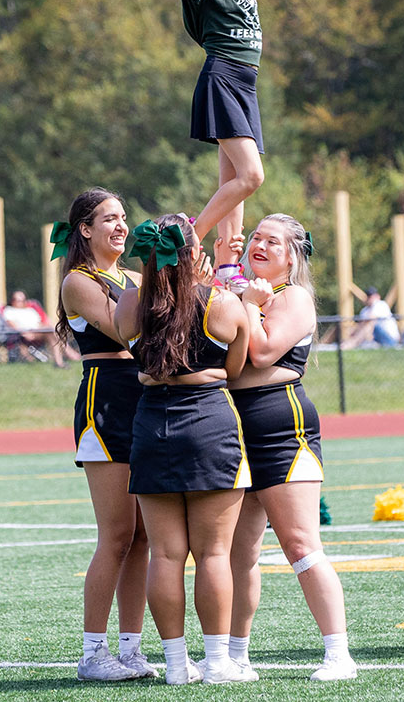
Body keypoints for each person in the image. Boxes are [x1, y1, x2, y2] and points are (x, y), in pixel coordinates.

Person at [113, 213, 254, 685]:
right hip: (210, 424)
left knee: (165, 556)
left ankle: (176, 665)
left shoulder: (129, 304)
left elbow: (136, 352)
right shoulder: (222, 303)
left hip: (151, 425)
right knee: (213, 554)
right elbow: (235, 369)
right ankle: (218, 663)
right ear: (194, 253)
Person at [226, 214, 357, 681]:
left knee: (301, 545)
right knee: (237, 554)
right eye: (256, 237)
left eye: (273, 242)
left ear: (292, 257)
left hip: (282, 425)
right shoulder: (242, 293)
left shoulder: (293, 297)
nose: (259, 245)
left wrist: (247, 304)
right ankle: (235, 655)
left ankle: (339, 654)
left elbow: (261, 353)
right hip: (234, 428)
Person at [163, 0, 286, 291]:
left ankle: (227, 267)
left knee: (232, 183)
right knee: (251, 176)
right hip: (223, 77)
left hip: (247, 86)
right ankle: (190, 235)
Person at [52, 189, 154, 681]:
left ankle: (131, 650)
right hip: (106, 401)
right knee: (116, 534)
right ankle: (93, 653)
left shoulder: (137, 278)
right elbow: (126, 331)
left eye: (124, 217)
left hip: (147, 399)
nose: (121, 226)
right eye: (109, 218)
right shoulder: (78, 280)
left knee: (143, 537)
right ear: (85, 229)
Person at [2, 290, 77, 367]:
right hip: (23, 335)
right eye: (18, 300)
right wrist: (23, 333)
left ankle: (62, 359)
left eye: (23, 300)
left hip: (38, 331)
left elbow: (40, 322)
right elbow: (12, 326)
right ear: (12, 301)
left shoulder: (30, 310)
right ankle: (67, 356)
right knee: (51, 333)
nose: (21, 302)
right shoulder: (9, 311)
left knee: (52, 332)